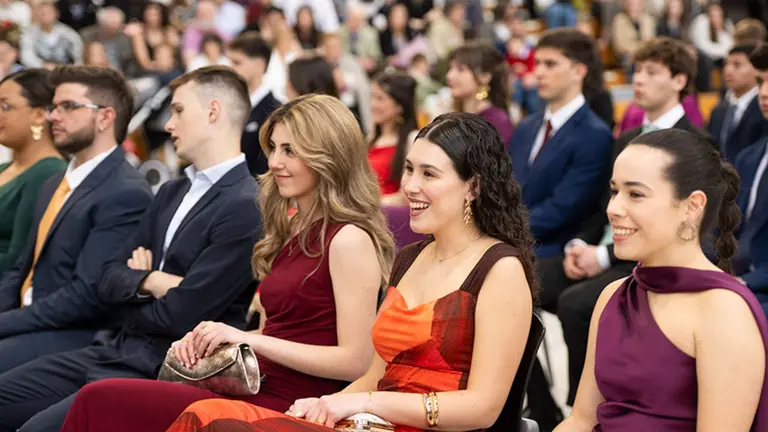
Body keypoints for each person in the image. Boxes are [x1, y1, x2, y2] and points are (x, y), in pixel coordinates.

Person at [156, 111, 536, 432]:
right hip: (369, 419)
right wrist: (324, 403)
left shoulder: (500, 269)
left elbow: (484, 407)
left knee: (219, 425)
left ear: (473, 186)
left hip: (416, 425)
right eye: (408, 169)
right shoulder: (410, 258)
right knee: (206, 415)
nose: (410, 187)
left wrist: (366, 403)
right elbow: (373, 374)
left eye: (429, 174)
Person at [60, 94, 396, 432]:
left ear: (330, 157)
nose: (275, 162)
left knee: (100, 400)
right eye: (275, 148)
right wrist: (210, 343)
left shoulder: (348, 239)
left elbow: (356, 360)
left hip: (293, 404)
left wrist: (245, 338)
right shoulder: (292, 227)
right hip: (249, 384)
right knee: (97, 399)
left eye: (290, 151)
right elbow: (282, 329)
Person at [0, 66, 262, 431]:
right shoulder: (171, 192)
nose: (169, 125)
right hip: (114, 348)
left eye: (179, 111)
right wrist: (152, 281)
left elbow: (183, 313)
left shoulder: (244, 204)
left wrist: (133, 289)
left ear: (213, 111)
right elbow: (108, 276)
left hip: (164, 365)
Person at [555, 128, 768, 431]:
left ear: (692, 206)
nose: (613, 209)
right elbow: (581, 420)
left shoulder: (724, 312)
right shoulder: (613, 295)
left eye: (636, 194)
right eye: (614, 191)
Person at [551, 36, 708, 413]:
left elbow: (677, 226)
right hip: (606, 246)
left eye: (651, 72)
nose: (638, 80)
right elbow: (603, 205)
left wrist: (602, 256)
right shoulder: (630, 138)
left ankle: (584, 407)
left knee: (575, 305)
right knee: (522, 280)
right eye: (636, 71)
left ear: (679, 81)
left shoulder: (695, 146)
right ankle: (543, 407)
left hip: (644, 255)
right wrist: (580, 244)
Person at [0, 65, 152, 374]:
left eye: (68, 106)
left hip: (74, 334)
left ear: (105, 117)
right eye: (54, 106)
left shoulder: (125, 192)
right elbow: (21, 270)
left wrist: (5, 322)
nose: (54, 116)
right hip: (31, 321)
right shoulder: (55, 182)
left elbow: (86, 297)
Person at [0, 69, 65, 278]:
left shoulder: (48, 173)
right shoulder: (5, 168)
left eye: (5, 106)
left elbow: (18, 260)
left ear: (39, 115)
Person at [227, 32, 281, 177]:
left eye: (237, 62)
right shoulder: (228, 105)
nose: (230, 68)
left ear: (259, 65)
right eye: (230, 62)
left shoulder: (275, 112)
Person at [447, 40, 514, 147]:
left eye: (460, 69)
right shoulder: (456, 115)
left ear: (484, 76)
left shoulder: (496, 121)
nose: (449, 75)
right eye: (450, 68)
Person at [708, 43, 767, 163]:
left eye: (737, 65)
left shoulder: (763, 109)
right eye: (726, 64)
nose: (727, 70)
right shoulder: (719, 110)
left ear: (755, 69)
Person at [367, 71, 417, 201]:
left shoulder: (411, 140)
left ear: (399, 106)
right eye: (371, 97)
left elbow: (407, 196)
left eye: (380, 98)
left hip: (391, 214)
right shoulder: (370, 139)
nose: (373, 104)